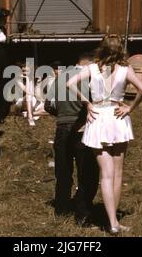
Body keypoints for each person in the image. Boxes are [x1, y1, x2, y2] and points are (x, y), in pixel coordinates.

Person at [67, 35, 142, 235]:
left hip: (98, 118)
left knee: (106, 174)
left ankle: (111, 221)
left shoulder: (92, 68)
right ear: (121, 49)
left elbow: (69, 83)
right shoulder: (125, 69)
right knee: (117, 173)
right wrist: (130, 108)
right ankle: (113, 222)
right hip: (118, 118)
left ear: (101, 49)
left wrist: (87, 103)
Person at [45, 53, 99, 227]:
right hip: (83, 128)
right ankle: (82, 215)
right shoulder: (89, 77)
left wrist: (62, 114)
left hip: (62, 128)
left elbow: (48, 105)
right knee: (86, 172)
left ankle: (61, 209)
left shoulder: (60, 78)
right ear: (88, 63)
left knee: (63, 171)